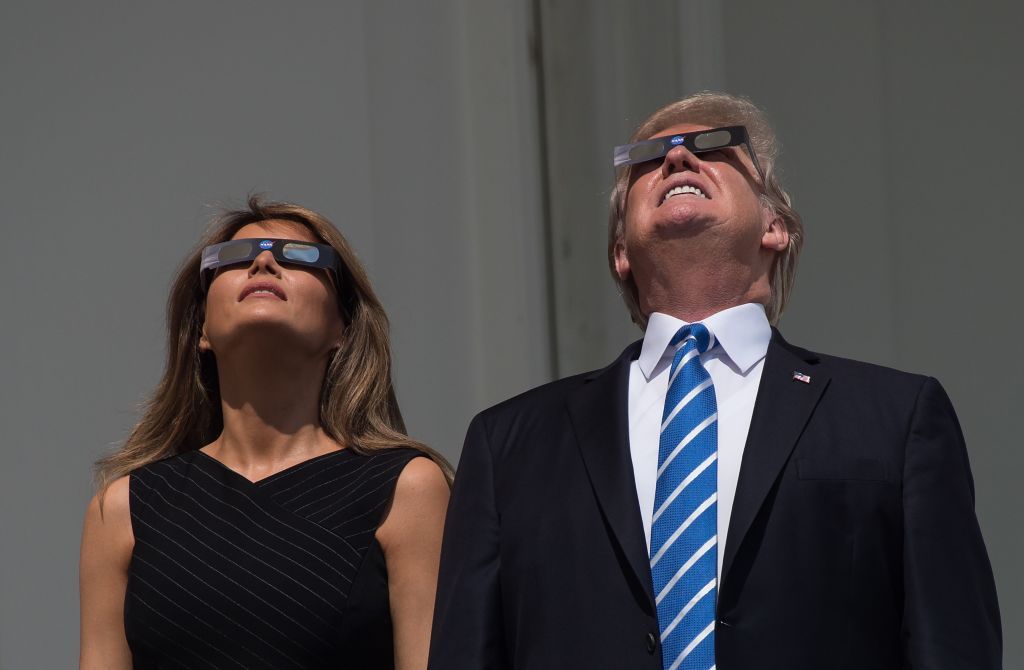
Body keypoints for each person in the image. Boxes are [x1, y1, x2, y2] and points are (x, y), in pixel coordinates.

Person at [429, 93, 1001, 669]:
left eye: (714, 146)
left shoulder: (895, 418)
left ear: (775, 226)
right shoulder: (509, 445)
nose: (677, 158)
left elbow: (951, 645)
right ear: (620, 251)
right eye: (648, 158)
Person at [80, 197, 451, 669]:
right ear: (202, 330)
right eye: (233, 259)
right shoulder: (124, 507)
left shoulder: (407, 488)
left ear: (342, 326)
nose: (263, 261)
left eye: (300, 256)